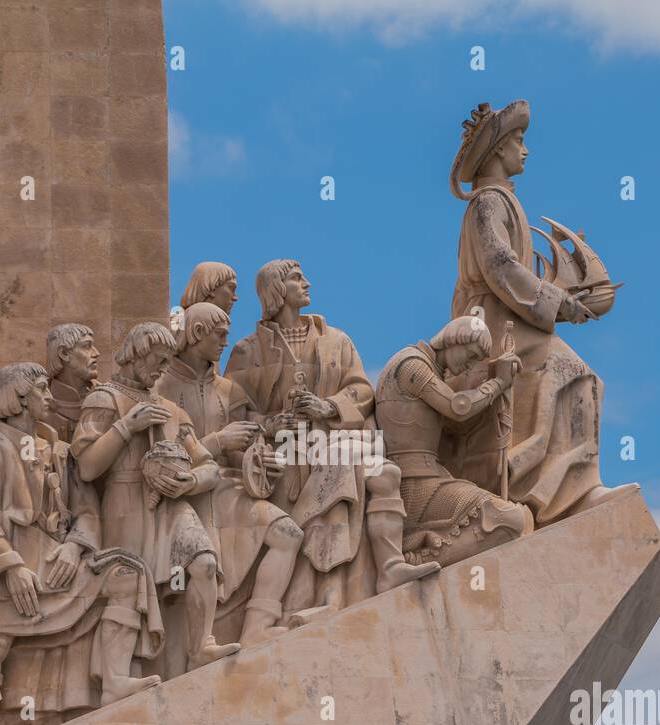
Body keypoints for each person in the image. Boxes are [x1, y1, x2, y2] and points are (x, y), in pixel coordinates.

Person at [0, 363, 162, 725]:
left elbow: (88, 512)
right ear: (20, 398)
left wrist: (75, 545)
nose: (50, 397)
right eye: (42, 390)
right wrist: (10, 568)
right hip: (10, 572)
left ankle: (113, 680)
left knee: (127, 573)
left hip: (59, 562)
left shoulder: (60, 453)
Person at [448, 100, 636, 524]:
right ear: (497, 150)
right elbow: (501, 268)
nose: (526, 150)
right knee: (577, 374)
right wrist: (560, 304)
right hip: (492, 323)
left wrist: (559, 291)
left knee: (578, 378)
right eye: (518, 140)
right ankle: (565, 492)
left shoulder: (501, 201)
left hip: (508, 316)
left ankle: (555, 487)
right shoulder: (488, 202)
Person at [224, 259, 437, 617]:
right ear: (276, 290)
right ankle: (327, 599)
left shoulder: (336, 340)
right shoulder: (247, 352)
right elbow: (231, 412)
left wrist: (328, 407)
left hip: (332, 439)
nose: (307, 283)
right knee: (341, 475)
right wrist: (271, 424)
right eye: (296, 278)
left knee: (386, 474)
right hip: (283, 457)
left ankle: (389, 568)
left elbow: (360, 390)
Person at [72, 324, 241, 673]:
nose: (161, 370)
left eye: (166, 363)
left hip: (172, 503)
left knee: (205, 563)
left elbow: (208, 465)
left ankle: (202, 646)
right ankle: (121, 675)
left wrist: (189, 481)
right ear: (135, 354)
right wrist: (127, 426)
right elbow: (87, 467)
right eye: (157, 360)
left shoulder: (170, 410)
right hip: (124, 505)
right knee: (133, 589)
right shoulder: (104, 398)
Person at [156, 302, 304, 645]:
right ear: (196, 334)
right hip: (184, 493)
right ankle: (199, 643)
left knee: (288, 533)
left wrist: (262, 462)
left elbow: (243, 454)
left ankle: (257, 627)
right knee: (201, 565)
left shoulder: (229, 391)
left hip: (226, 487)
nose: (226, 342)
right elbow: (163, 460)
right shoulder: (160, 389)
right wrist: (219, 441)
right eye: (220, 335)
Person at [374, 314, 533, 568]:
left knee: (517, 518)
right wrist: (498, 383)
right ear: (455, 340)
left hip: (431, 480)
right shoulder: (412, 365)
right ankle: (420, 559)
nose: (468, 366)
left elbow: (458, 422)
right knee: (509, 518)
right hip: (416, 486)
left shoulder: (429, 370)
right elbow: (457, 407)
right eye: (469, 356)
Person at [43, 323, 101, 443]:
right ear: (64, 353)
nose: (96, 353)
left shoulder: (106, 397)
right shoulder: (37, 404)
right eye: (87, 346)